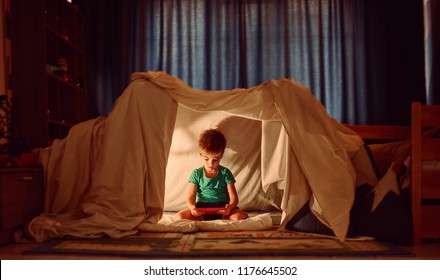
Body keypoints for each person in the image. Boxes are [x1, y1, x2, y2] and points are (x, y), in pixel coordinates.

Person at [175, 129, 249, 221]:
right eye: (206, 159)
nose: (210, 164)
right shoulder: (196, 173)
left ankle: (224, 218)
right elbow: (190, 196)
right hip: (202, 210)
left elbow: (234, 197)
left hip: (223, 209)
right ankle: (204, 219)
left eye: (215, 160)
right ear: (201, 155)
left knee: (239, 217)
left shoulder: (225, 173)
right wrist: (192, 207)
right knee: (179, 217)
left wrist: (230, 208)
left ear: (221, 156)